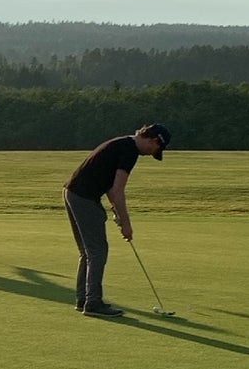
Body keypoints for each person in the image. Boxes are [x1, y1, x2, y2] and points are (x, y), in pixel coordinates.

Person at [63, 123, 171, 317]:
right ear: (154, 140)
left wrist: (118, 213)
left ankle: (84, 299)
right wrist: (127, 224)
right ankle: (93, 303)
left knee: (88, 252)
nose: (151, 154)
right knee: (97, 251)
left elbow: (111, 188)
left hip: (72, 192)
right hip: (84, 197)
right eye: (156, 149)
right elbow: (118, 190)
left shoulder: (123, 143)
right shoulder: (130, 151)